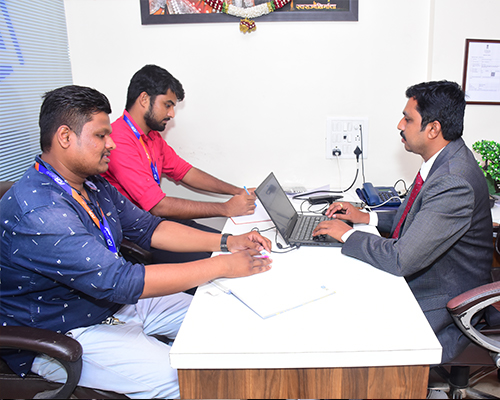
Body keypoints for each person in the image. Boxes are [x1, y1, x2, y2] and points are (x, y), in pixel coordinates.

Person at [0, 85, 272, 399]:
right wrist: (221, 265)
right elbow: (121, 280)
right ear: (65, 137)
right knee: (188, 380)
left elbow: (150, 228)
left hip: (114, 305)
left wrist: (228, 242)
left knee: (222, 318)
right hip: (64, 333)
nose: (112, 143)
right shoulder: (41, 212)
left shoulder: (92, 184)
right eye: (101, 135)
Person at [312, 80, 493, 363]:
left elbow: (401, 259)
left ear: (433, 129)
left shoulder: (453, 181)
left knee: (343, 323)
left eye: (408, 119)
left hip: (440, 304)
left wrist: (346, 235)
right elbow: (418, 217)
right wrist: (365, 217)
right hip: (429, 279)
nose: (400, 124)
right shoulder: (444, 158)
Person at [102, 64, 256, 222]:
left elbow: (186, 172)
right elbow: (157, 205)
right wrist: (226, 208)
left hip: (154, 220)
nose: (172, 114)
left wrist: (237, 191)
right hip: (136, 229)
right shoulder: (117, 139)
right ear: (144, 99)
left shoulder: (152, 135)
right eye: (167, 105)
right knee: (223, 244)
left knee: (229, 240)